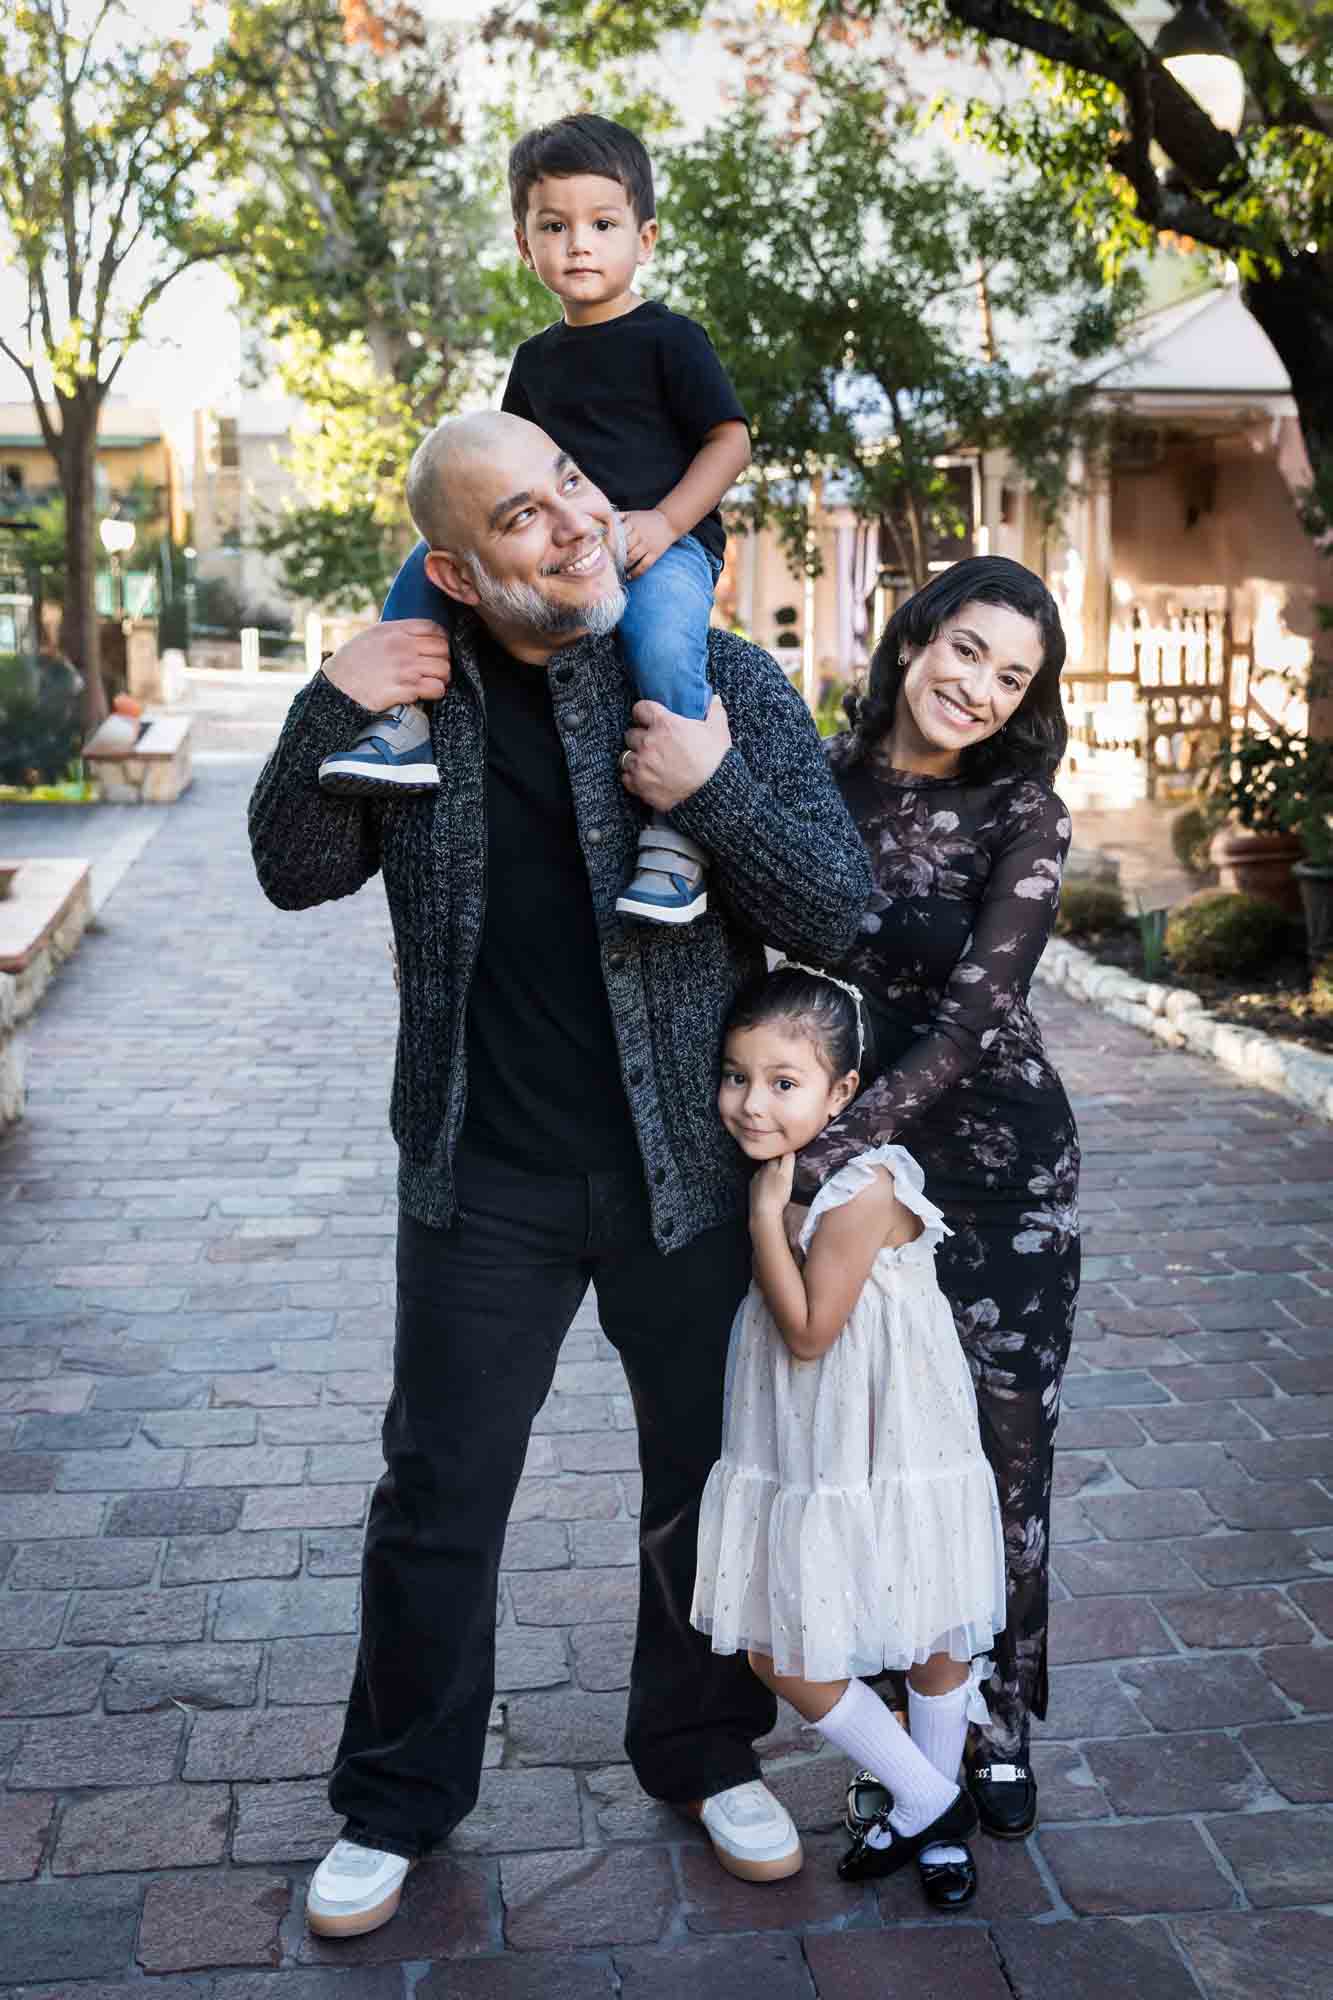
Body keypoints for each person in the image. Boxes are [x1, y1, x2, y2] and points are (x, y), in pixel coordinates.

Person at [248, 410, 871, 1938]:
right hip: (484, 1175)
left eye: (573, 488)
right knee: (440, 1492)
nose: (574, 525)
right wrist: (323, 703)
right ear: (456, 573)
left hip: (683, 1173)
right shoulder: (420, 699)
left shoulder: (710, 679)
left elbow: (842, 914)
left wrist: (712, 794)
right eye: (525, 518)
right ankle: (395, 1800)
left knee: (700, 1482)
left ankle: (701, 1748)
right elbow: (290, 868)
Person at [789, 556, 1080, 1895]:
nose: (977, 686)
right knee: (879, 1462)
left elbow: (975, 1013)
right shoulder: (814, 780)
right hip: (861, 1180)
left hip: (994, 1166)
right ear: (911, 637)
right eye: (964, 650)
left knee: (1002, 1450)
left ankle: (997, 1721)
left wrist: (835, 1139)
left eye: (1010, 674)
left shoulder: (1023, 807)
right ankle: (912, 1733)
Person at [318, 112, 752, 929]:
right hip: (564, 544)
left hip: (660, 543)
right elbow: (507, 464)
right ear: (526, 246)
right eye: (554, 226)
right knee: (428, 562)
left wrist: (665, 522)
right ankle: (402, 719)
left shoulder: (670, 339)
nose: (578, 244)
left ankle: (677, 832)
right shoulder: (534, 360)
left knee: (661, 642)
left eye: (602, 224)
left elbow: (729, 442)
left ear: (645, 237)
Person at [692, 963, 1007, 1902]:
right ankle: (926, 1796)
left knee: (930, 1621)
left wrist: (759, 1219)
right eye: (737, 1075)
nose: (753, 1104)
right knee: (781, 1648)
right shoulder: (791, 1161)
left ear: (842, 1092)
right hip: (815, 1435)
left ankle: (932, 1817)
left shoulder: (858, 1187)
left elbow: (809, 1331)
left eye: (784, 1083)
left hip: (894, 1430)